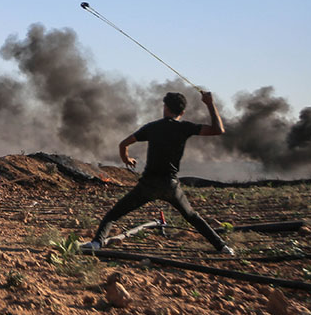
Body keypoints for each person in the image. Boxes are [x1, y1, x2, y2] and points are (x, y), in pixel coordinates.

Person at [82, 91, 234, 255]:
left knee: (113, 214)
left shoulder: (152, 127)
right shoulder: (185, 128)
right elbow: (218, 129)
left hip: (148, 184)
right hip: (170, 185)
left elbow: (123, 144)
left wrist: (126, 159)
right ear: (182, 112)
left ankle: (97, 243)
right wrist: (209, 103)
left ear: (165, 108)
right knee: (192, 217)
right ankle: (222, 247)